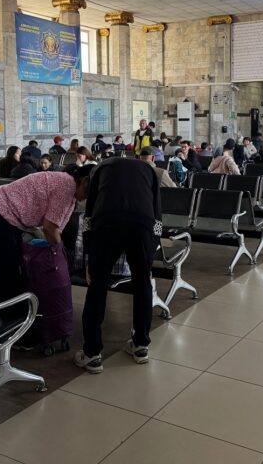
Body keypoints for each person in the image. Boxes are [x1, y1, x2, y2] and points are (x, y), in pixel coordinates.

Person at [75, 157, 161, 374]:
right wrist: (150, 254)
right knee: (143, 284)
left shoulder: (100, 169)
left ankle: (92, 354)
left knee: (98, 286)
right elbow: (157, 214)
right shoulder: (149, 170)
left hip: (107, 223)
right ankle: (141, 345)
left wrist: (89, 256)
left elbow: (90, 214)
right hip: (142, 225)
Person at [0, 165, 91, 306]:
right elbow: (50, 228)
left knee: (1, 267)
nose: (87, 198)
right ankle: (4, 312)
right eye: (89, 192)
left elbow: (55, 229)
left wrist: (58, 249)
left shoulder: (68, 187)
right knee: (3, 269)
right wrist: (59, 254)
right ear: (84, 181)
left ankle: (1, 309)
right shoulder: (67, 186)